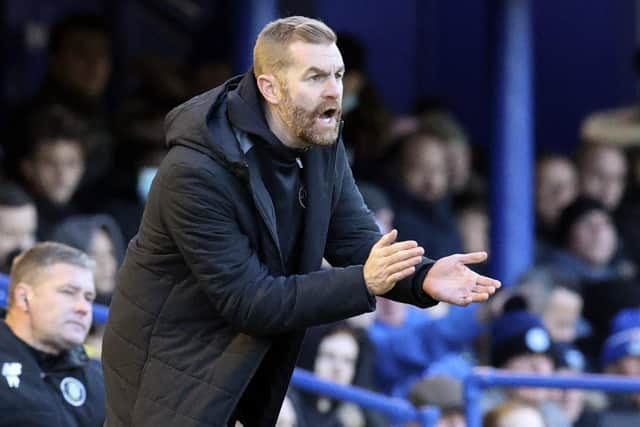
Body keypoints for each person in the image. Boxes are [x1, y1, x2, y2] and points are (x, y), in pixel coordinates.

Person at [102, 16, 500, 427]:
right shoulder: (194, 172)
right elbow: (250, 301)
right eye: (315, 77)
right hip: (166, 383)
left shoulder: (320, 140)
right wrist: (363, 282)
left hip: (237, 374)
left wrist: (423, 277)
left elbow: (353, 236)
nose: (334, 92)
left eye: (339, 75)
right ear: (269, 87)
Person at [0, 242, 104, 426]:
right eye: (69, 292)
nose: (84, 308)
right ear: (24, 298)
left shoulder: (99, 378)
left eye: (88, 298)